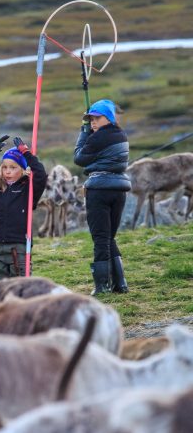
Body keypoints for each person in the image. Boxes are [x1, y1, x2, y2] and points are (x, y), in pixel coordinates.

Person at [73, 99, 131, 295]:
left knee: (100, 238)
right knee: (109, 237)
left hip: (99, 190)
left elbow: (79, 158)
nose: (93, 123)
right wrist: (90, 132)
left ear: (109, 118)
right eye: (90, 120)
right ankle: (120, 284)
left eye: (97, 118)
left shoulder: (98, 138)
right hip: (119, 190)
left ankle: (102, 287)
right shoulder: (121, 135)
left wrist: (83, 132)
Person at [0, 135, 47, 280]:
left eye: (13, 168)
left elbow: (41, 175)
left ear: (22, 169)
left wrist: (26, 153)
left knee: (20, 285)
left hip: (19, 246)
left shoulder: (29, 189)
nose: (7, 171)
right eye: (5, 167)